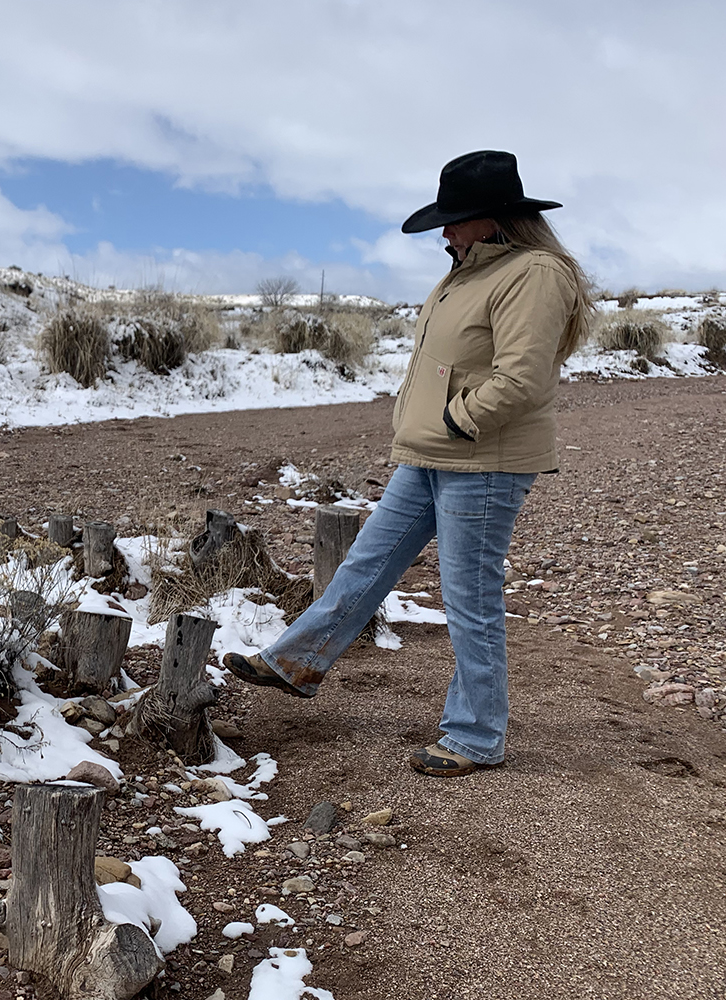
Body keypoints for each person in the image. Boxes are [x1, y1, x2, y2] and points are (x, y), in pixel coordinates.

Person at [223, 150, 594, 777]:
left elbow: (524, 379)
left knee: (469, 598)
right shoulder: (466, 271)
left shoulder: (533, 272)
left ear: (494, 218)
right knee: (363, 566)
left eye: (455, 220)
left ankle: (476, 736)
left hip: (483, 462)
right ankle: (297, 662)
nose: (445, 232)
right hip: (430, 454)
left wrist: (457, 419)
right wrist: (423, 424)